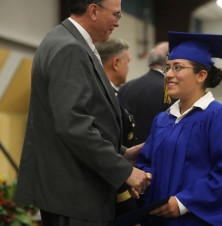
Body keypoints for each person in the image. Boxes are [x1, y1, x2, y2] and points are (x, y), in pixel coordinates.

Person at [15, 1, 150, 226]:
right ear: (93, 10)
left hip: (70, 190)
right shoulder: (71, 48)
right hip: (75, 194)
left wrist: (122, 153)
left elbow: (87, 117)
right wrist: (124, 171)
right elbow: (74, 125)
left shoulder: (63, 39)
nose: (117, 23)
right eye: (116, 15)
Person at [135, 31, 222, 226]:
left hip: (195, 220)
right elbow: (146, 161)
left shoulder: (221, 118)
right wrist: (143, 177)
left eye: (178, 68)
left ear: (201, 75)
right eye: (168, 68)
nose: (169, 75)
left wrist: (183, 202)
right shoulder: (163, 119)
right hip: (157, 219)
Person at [95, 37, 138, 218]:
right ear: (116, 62)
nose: (129, 66)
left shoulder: (111, 93)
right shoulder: (100, 94)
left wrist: (125, 152)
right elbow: (98, 142)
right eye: (128, 61)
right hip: (102, 185)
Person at [118, 41, 173, 147]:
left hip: (126, 153)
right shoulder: (170, 89)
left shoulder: (126, 87)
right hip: (155, 152)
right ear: (169, 61)